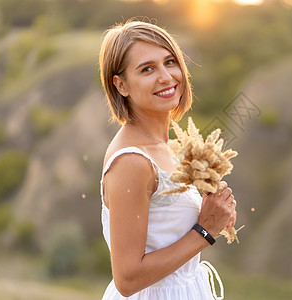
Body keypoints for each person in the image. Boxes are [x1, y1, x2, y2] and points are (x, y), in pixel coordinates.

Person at [98, 20, 237, 300]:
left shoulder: (166, 147)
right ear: (121, 85)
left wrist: (215, 213)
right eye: (147, 69)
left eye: (170, 62)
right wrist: (205, 231)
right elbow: (127, 278)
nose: (166, 77)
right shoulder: (131, 161)